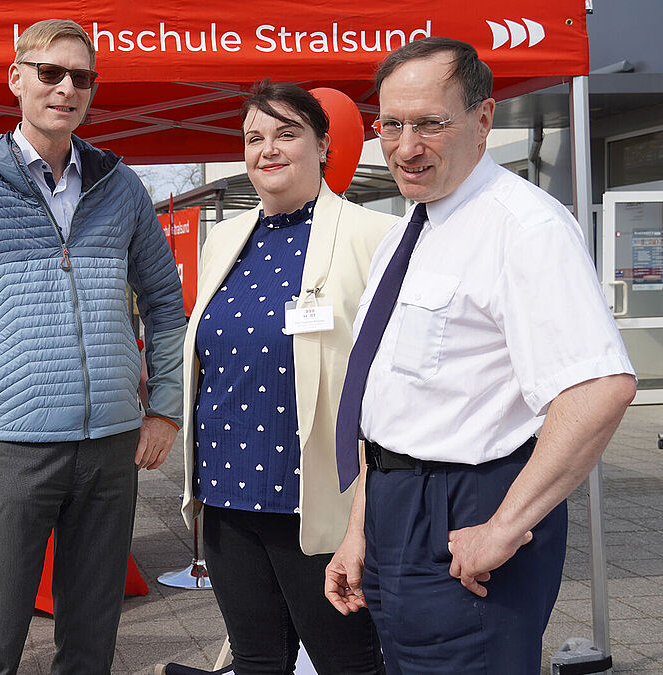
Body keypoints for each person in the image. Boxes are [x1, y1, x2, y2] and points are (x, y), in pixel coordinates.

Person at [325, 37, 637, 674]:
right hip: (392, 505)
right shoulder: (408, 230)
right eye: (392, 125)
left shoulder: (524, 227)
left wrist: (503, 527)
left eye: (430, 123)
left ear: (484, 119)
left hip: (468, 508)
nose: (407, 146)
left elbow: (599, 388)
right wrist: (360, 528)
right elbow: (389, 403)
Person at [0, 19, 185, 674]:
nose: (66, 88)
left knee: (91, 642)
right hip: (13, 448)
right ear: (16, 78)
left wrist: (166, 408)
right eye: (51, 72)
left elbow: (166, 305)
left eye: (81, 77)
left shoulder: (120, 185)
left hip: (112, 444)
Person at [179, 81, 389, 675]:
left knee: (346, 662)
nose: (267, 149)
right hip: (225, 496)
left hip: (314, 497)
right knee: (256, 659)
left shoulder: (372, 237)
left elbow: (387, 379)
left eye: (286, 134)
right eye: (254, 138)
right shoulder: (224, 240)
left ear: (323, 146)